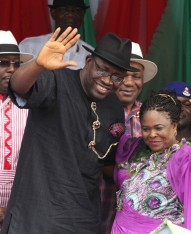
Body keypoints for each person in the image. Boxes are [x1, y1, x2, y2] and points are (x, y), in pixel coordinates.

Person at [0, 27, 138, 234]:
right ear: (89, 62)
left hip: (83, 219)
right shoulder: (57, 80)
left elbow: (107, 163)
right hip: (37, 216)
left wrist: (148, 164)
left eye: (117, 76)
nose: (108, 81)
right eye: (102, 69)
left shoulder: (113, 107)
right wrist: (37, 65)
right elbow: (19, 86)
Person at [111, 88, 191, 233]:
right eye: (146, 129)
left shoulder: (183, 157)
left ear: (174, 126)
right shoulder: (134, 148)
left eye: (158, 128)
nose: (152, 134)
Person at [100, 42, 158, 234]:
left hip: (136, 216)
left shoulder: (151, 115)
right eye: (123, 75)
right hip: (97, 204)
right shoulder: (94, 109)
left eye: (136, 76)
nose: (129, 82)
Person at [0, 31, 33, 229]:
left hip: (22, 206)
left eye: (16, 64)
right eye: (4, 63)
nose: (12, 69)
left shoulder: (31, 103)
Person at [19, 0, 93, 69]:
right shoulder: (28, 46)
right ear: (53, 13)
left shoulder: (90, 54)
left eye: (77, 10)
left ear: (83, 14)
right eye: (64, 10)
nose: (70, 14)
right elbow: (14, 80)